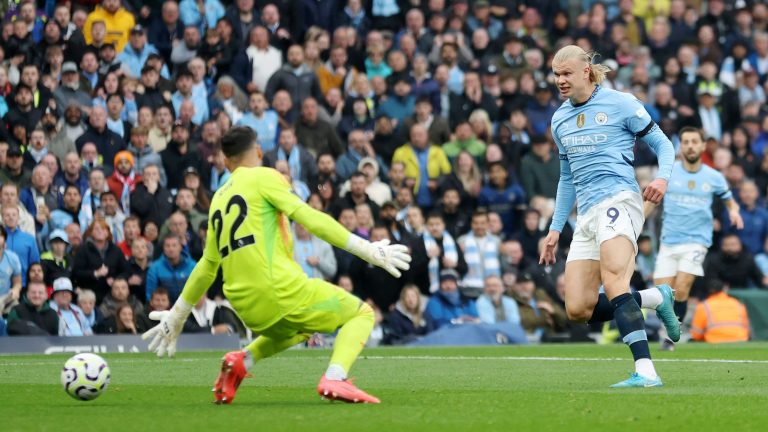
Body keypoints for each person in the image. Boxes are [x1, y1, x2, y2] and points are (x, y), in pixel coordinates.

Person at [142, 127, 411, 404]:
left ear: (225, 160)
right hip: (281, 291)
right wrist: (367, 249)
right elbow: (308, 216)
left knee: (303, 326)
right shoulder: (265, 176)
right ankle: (335, 377)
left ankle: (242, 361)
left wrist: (177, 314)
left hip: (247, 307)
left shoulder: (218, 199)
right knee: (361, 314)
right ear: (258, 152)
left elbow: (207, 266)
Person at [539, 45, 678, 388]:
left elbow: (663, 144)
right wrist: (555, 228)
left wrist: (661, 177)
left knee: (616, 283)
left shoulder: (622, 103)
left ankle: (646, 372)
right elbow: (567, 178)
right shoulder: (560, 119)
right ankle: (655, 298)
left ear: (586, 71)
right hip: (585, 214)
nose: (560, 80)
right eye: (556, 74)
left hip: (619, 201)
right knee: (578, 308)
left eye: (566, 73)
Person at [645, 127, 743, 346]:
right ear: (681, 147)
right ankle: (671, 329)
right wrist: (637, 221)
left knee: (681, 287)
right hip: (669, 241)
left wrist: (734, 211)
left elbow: (729, 200)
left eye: (694, 142)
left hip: (697, 241)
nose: (690, 146)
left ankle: (671, 336)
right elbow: (652, 201)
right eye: (686, 142)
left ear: (702, 146)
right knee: (662, 295)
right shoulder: (668, 173)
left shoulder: (714, 176)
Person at [690, 279, 750, 343]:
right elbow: (746, 327)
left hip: (714, 340)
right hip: (740, 339)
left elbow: (696, 334)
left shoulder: (704, 306)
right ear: (723, 289)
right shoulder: (738, 304)